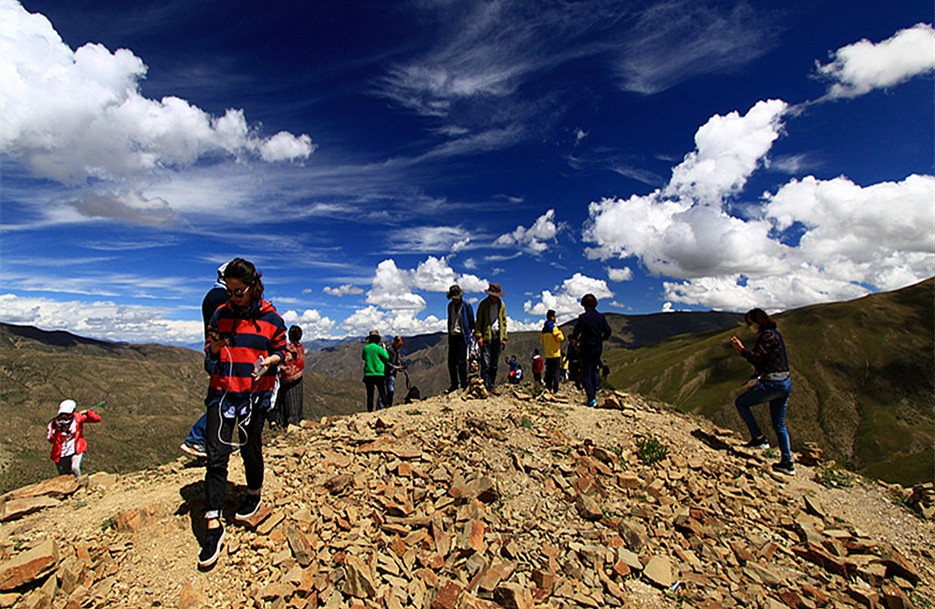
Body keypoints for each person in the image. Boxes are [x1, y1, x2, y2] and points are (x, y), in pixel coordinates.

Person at [199, 258, 286, 569]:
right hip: (222, 392)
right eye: (229, 290)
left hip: (254, 394)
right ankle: (213, 523)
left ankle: (253, 491)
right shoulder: (220, 315)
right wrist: (214, 349)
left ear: (253, 287)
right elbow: (209, 355)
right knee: (216, 454)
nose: (232, 297)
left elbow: (282, 349)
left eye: (238, 291)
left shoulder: (273, 319)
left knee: (250, 447)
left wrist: (270, 361)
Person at [730, 308, 795, 476]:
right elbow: (766, 361)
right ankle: (787, 463)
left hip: (773, 383)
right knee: (779, 424)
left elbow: (757, 357)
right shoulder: (775, 334)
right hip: (784, 383)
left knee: (741, 403)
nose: (750, 327)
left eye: (751, 324)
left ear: (757, 322)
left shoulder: (766, 336)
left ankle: (758, 438)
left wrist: (741, 349)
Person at [182, 261, 232, 458]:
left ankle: (213, 442)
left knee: (223, 399)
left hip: (216, 354)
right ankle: (198, 437)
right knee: (226, 400)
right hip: (222, 356)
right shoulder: (221, 297)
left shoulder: (212, 296)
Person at [571, 294, 612, 407]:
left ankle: (591, 398)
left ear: (584, 305)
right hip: (597, 347)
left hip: (586, 348)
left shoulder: (583, 317)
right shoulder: (601, 317)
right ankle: (594, 394)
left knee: (585, 374)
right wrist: (602, 338)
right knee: (594, 371)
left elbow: (576, 331)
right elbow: (608, 330)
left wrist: (575, 340)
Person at [47, 399, 101, 478]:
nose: (65, 416)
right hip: (61, 453)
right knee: (64, 475)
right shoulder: (54, 423)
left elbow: (97, 419)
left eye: (67, 414)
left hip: (76, 449)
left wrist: (88, 413)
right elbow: (50, 440)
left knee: (75, 468)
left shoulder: (77, 418)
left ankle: (81, 485)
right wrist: (57, 431)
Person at [475, 283, 507, 394]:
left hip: (497, 336)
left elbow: (503, 322)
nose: (494, 298)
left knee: (494, 365)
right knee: (485, 364)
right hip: (486, 337)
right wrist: (479, 336)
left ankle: (491, 387)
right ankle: (484, 387)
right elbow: (479, 321)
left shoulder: (501, 305)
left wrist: (504, 338)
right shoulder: (483, 304)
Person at [445, 285, 475, 393]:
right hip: (452, 336)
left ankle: (464, 384)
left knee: (462, 362)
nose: (455, 300)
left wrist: (470, 335)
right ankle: (454, 384)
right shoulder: (450, 306)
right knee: (451, 362)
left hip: (462, 337)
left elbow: (471, 320)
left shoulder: (466, 306)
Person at [277, 325, 305, 427]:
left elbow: (286, 366)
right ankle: (297, 421)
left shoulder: (289, 351)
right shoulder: (300, 347)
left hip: (288, 381)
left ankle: (289, 424)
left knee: (288, 403)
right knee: (297, 402)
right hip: (299, 378)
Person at [362, 330, 389, 412]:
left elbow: (363, 357)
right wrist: (384, 349)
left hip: (368, 373)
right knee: (382, 392)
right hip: (379, 373)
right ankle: (386, 408)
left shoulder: (365, 348)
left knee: (370, 394)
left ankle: (369, 411)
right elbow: (386, 357)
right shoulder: (379, 348)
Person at [540, 309, 564, 392]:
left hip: (548, 354)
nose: (555, 318)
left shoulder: (544, 330)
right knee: (556, 372)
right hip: (555, 354)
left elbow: (542, 341)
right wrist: (560, 332)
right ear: (552, 317)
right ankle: (556, 390)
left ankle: (548, 388)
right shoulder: (553, 328)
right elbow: (560, 337)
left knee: (549, 372)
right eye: (555, 316)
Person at [380, 335, 405, 408]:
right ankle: (380, 408)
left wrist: (399, 365)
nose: (400, 347)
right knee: (383, 392)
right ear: (395, 343)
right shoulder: (389, 349)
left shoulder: (395, 351)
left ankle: (389, 406)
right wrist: (395, 367)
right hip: (385, 373)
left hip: (391, 373)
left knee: (390, 390)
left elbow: (395, 360)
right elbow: (386, 361)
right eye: (399, 345)